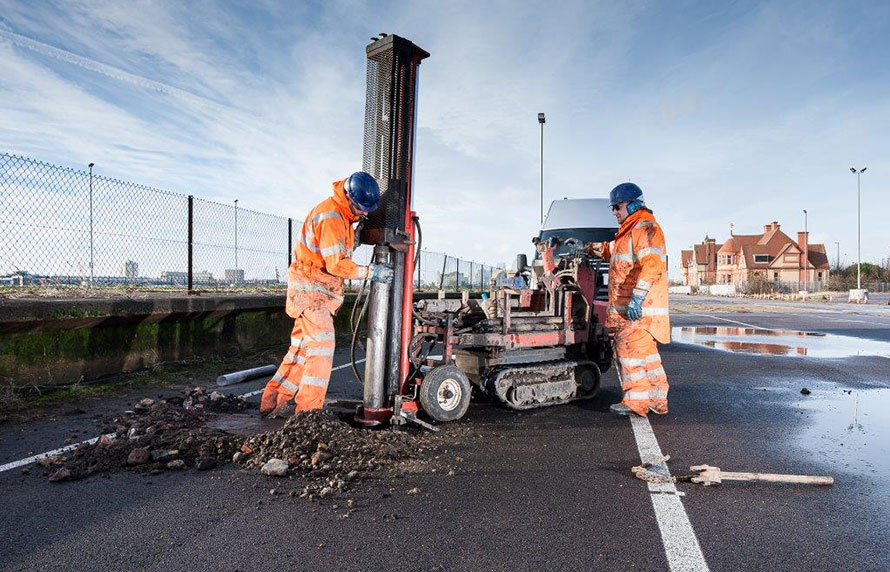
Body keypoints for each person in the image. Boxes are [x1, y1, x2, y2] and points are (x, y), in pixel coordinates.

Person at [260, 172, 393, 417]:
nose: (364, 213)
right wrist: (371, 272)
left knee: (300, 352)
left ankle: (272, 401)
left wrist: (355, 236)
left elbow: (334, 251)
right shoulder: (332, 217)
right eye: (362, 209)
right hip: (312, 295)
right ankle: (309, 413)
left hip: (313, 295)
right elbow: (335, 265)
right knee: (322, 347)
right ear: (350, 198)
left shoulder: (342, 216)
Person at [588, 183, 670, 416]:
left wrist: (637, 299)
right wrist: (586, 248)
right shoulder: (629, 231)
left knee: (630, 355)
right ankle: (657, 400)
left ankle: (636, 402)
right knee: (648, 358)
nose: (614, 211)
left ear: (633, 204)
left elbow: (652, 265)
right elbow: (610, 250)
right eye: (613, 208)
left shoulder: (644, 228)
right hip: (639, 312)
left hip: (637, 311)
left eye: (617, 206)